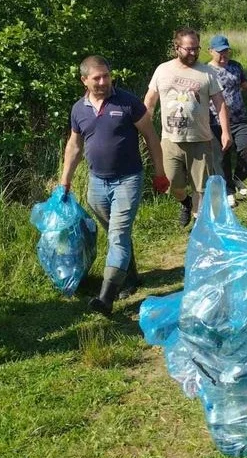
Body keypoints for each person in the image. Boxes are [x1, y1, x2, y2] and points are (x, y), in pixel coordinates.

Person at [60, 55, 169, 317]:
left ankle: (106, 298)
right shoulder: (78, 109)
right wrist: (66, 178)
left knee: (118, 236)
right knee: (114, 232)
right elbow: (75, 146)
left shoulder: (128, 102)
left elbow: (151, 138)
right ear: (84, 80)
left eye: (106, 75)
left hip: (128, 179)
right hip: (97, 182)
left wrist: (160, 172)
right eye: (96, 78)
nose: (103, 81)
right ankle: (130, 276)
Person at [144, 27, 232, 227]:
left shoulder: (207, 72)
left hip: (200, 139)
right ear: (176, 47)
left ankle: (198, 224)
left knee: (201, 187)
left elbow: (220, 103)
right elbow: (150, 101)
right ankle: (185, 201)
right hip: (170, 139)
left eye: (196, 49)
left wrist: (225, 132)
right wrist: (144, 127)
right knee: (173, 183)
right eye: (188, 49)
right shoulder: (163, 70)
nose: (193, 53)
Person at [207, 34, 247, 208]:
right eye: (220, 52)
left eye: (226, 52)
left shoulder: (236, 67)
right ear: (210, 52)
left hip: (239, 119)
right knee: (222, 159)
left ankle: (238, 179)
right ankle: (228, 191)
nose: (224, 56)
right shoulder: (205, 71)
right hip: (215, 122)